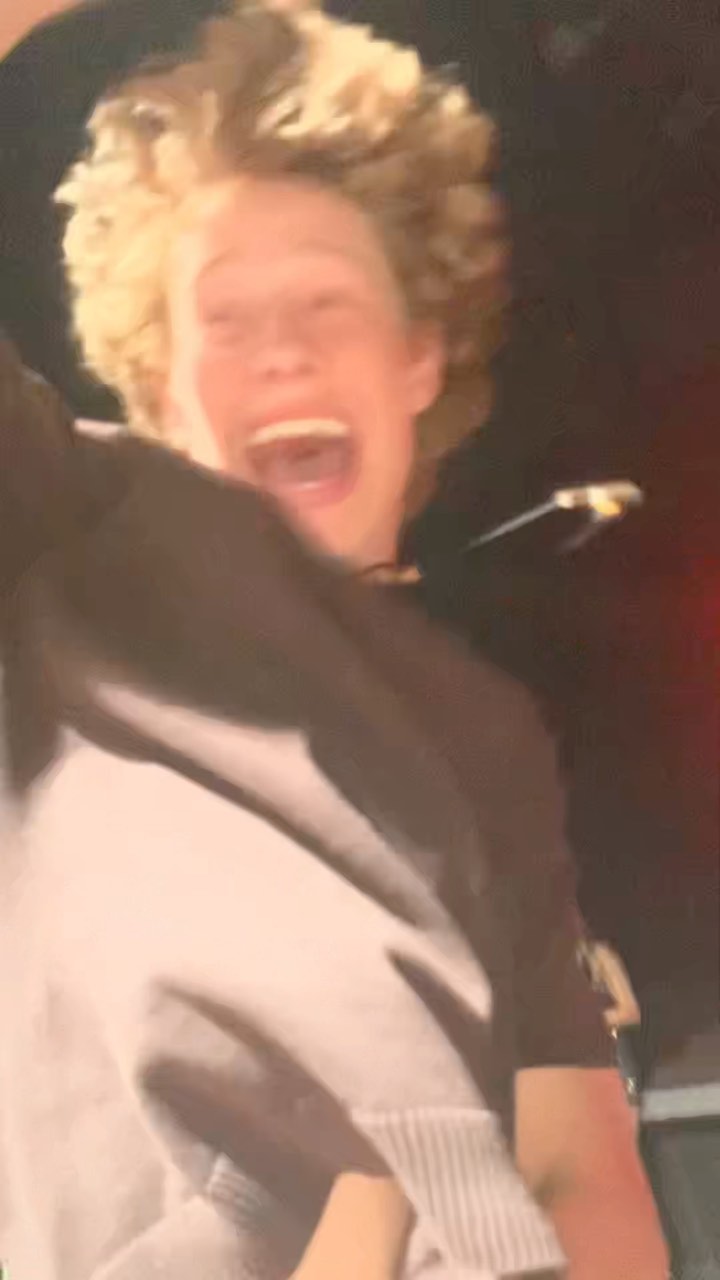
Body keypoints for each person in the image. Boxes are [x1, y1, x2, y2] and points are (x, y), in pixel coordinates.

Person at [0, 2, 668, 1277]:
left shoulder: (480, 743)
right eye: (227, 318)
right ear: (155, 380)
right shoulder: (53, 557)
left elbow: (576, 1163)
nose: (287, 354)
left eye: (328, 302)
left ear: (419, 359)